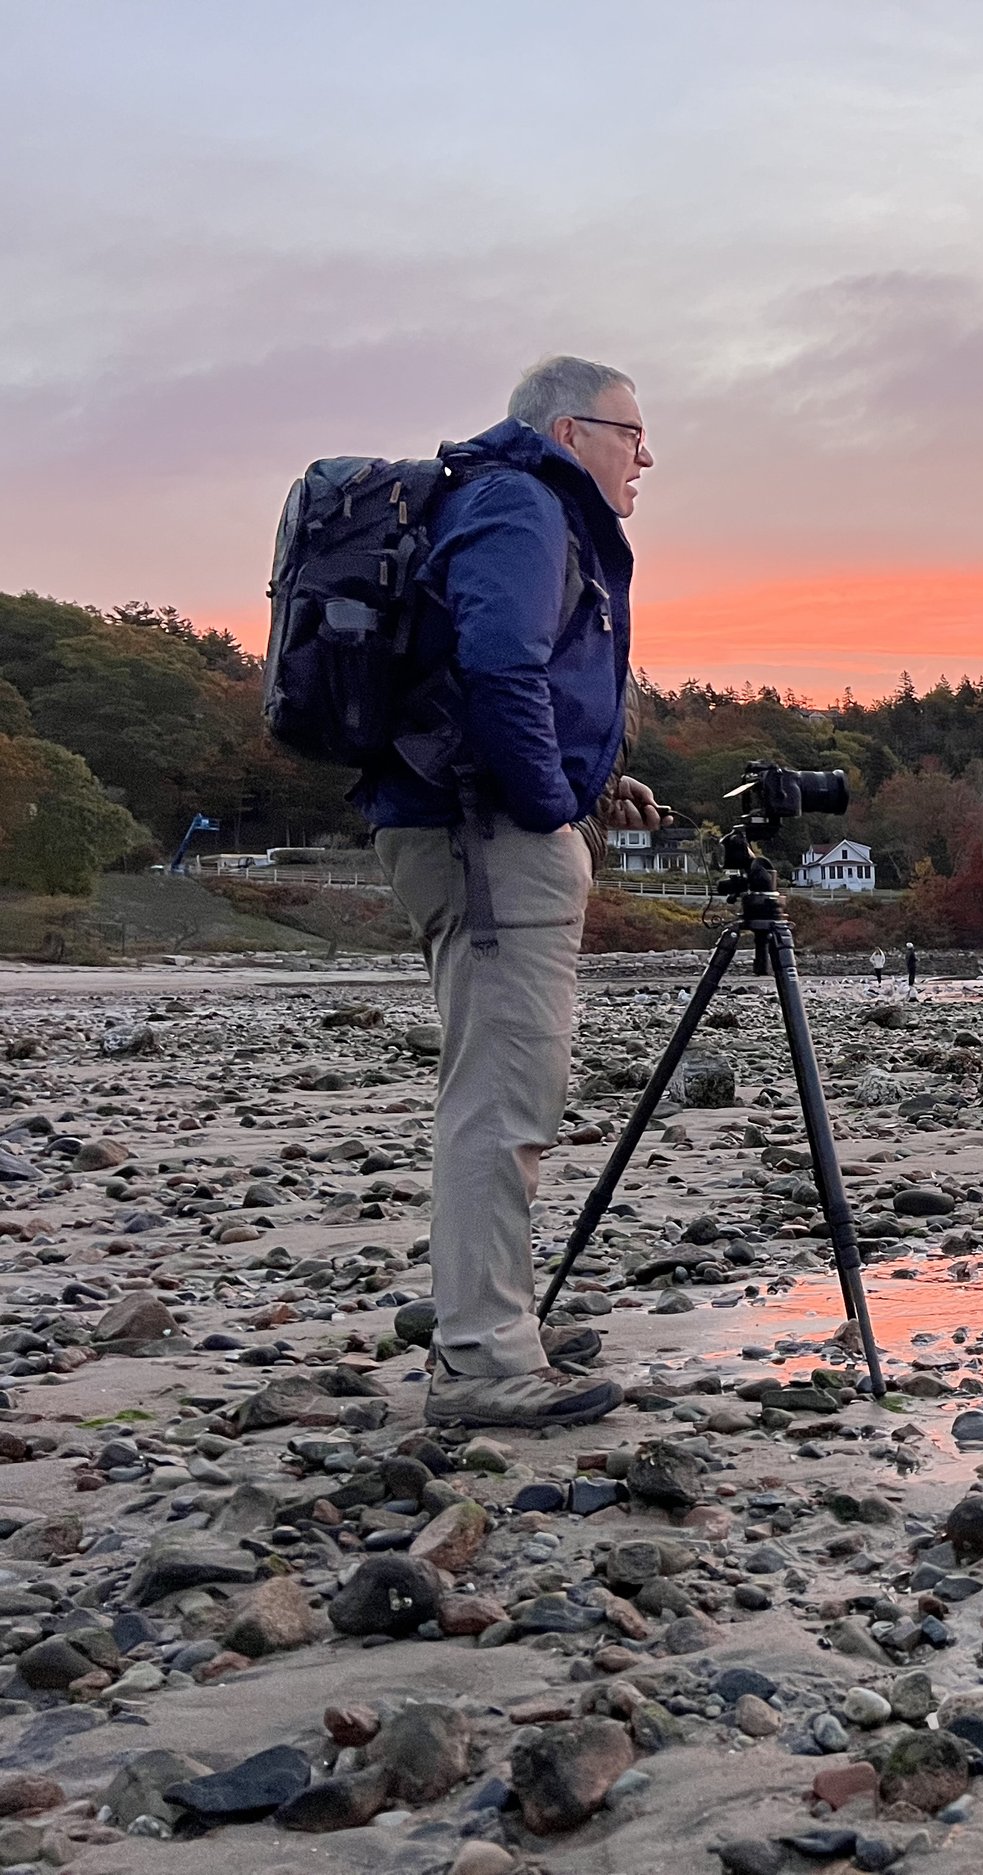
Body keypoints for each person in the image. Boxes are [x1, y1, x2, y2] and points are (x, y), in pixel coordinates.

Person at [359, 355, 660, 1431]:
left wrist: (588, 781)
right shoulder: (523, 504)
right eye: (632, 434)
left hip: (470, 823)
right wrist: (546, 804)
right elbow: (499, 668)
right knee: (505, 1100)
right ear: (570, 431)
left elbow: (500, 671)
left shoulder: (502, 499)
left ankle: (486, 1320)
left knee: (493, 1090)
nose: (645, 457)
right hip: (488, 837)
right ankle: (486, 1359)